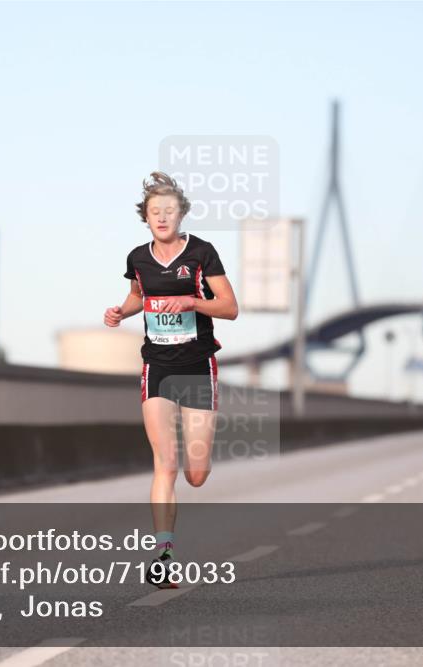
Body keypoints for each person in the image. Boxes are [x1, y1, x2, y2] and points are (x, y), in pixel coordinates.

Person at [103, 172, 238, 589]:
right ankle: (163, 555)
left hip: (197, 367)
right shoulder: (137, 258)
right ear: (145, 217)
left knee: (195, 473)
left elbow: (230, 307)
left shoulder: (202, 253)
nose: (162, 217)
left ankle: (201, 464)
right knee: (166, 464)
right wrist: (121, 313)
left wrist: (193, 301)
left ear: (182, 214)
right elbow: (139, 296)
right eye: (154, 211)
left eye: (169, 210)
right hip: (157, 367)